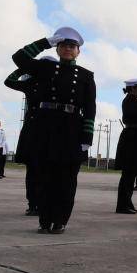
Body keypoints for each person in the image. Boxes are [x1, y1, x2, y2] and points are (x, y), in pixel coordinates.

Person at [12, 27, 96, 234]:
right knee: (45, 176)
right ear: (57, 48)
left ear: (78, 51)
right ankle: (45, 219)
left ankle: (60, 220)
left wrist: (87, 136)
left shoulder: (86, 76)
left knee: (67, 179)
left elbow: (90, 108)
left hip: (72, 129)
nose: (68, 49)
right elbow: (19, 58)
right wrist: (44, 42)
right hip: (46, 127)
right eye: (64, 45)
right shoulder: (44, 68)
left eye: (72, 46)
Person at [4, 59, 54, 214]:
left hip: (52, 131)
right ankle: (33, 204)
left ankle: (45, 203)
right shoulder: (32, 82)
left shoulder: (58, 83)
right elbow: (9, 81)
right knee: (33, 170)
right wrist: (24, 66)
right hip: (33, 130)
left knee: (49, 171)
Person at [115, 78, 137, 214]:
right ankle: (122, 205)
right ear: (133, 89)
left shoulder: (135, 101)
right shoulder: (130, 101)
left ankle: (128, 203)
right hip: (131, 138)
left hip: (135, 137)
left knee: (131, 174)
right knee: (128, 174)